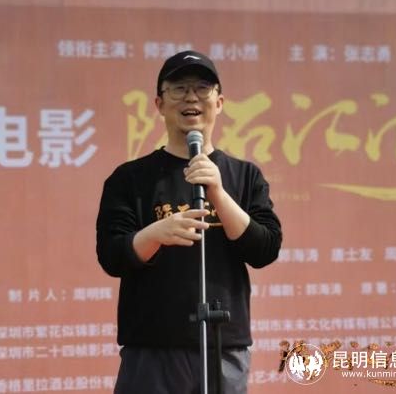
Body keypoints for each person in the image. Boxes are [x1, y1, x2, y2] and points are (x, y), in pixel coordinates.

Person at [96, 50, 282, 394]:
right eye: (179, 89)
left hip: (223, 343)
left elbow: (265, 249)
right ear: (159, 104)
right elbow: (111, 256)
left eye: (202, 89)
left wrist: (218, 193)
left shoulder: (244, 176)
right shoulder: (130, 179)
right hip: (153, 347)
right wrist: (155, 234)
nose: (191, 98)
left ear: (220, 102)